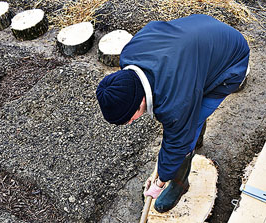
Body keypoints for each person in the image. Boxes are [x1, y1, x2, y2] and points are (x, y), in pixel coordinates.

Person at [96, 14, 250, 213]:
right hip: (204, 33)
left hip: (231, 60)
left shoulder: (174, 102)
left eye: (128, 119)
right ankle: (195, 136)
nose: (129, 123)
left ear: (140, 101)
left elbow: (176, 140)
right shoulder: (129, 54)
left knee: (186, 131)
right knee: (187, 114)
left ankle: (179, 185)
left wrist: (160, 182)